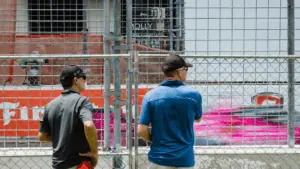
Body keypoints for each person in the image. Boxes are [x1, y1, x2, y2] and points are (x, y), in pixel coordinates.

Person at [137, 54, 202, 169]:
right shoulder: (194, 95)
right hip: (184, 159)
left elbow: (141, 131)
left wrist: (155, 140)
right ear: (180, 71)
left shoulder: (151, 96)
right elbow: (198, 118)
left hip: (159, 158)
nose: (187, 72)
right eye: (186, 69)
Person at [38, 65, 98, 169]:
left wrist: (62, 137)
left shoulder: (50, 105)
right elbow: (88, 125)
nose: (85, 81)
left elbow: (42, 136)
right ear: (76, 80)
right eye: (83, 77)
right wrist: (94, 152)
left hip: (58, 164)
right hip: (79, 163)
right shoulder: (82, 101)